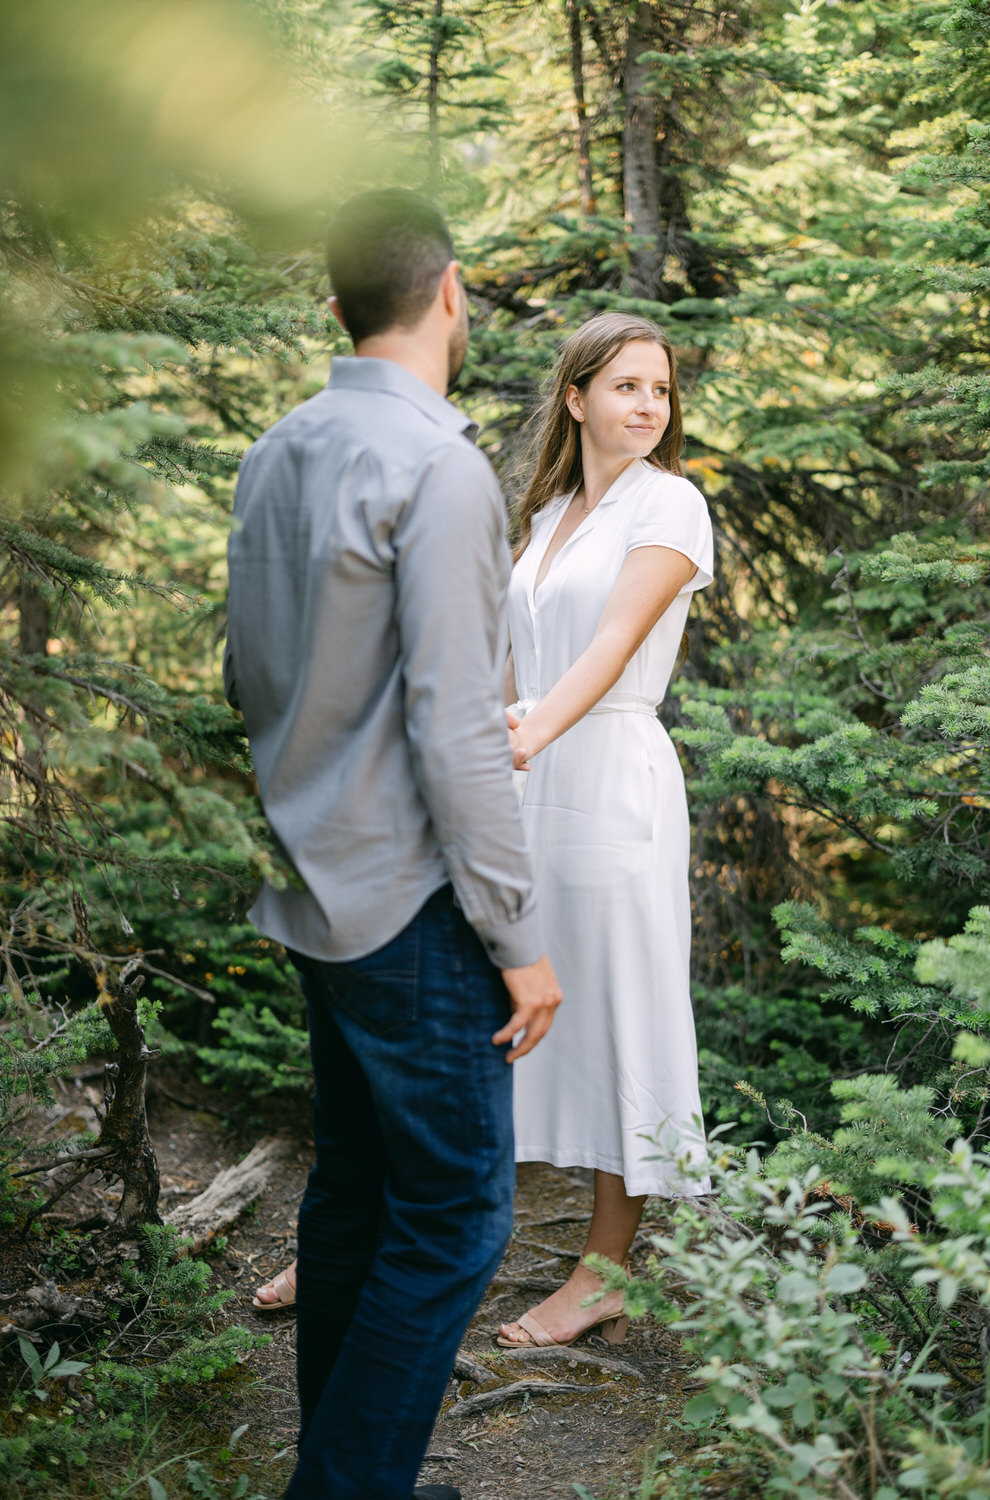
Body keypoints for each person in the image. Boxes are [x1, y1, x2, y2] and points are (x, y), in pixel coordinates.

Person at [224, 188, 561, 1500]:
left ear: (336, 310)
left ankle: (349, 1469)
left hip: (311, 880)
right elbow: (461, 732)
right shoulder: (438, 466)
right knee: (462, 1218)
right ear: (454, 292)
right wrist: (519, 940)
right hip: (413, 903)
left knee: (358, 1193)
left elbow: (250, 674)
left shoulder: (279, 448)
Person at [496, 311, 713, 1350]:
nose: (646, 407)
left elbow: (616, 638)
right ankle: (385, 1229)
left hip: (611, 781)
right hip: (523, 781)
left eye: (659, 391)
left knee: (621, 1015)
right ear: (575, 397)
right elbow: (514, 659)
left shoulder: (671, 504)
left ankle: (603, 1275)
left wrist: (528, 730)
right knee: (480, 1001)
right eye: (625, 386)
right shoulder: (544, 517)